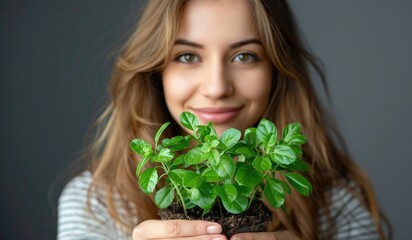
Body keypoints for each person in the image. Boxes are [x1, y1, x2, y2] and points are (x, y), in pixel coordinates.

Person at [57, 0, 391, 239]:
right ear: (155, 69)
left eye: (245, 56)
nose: (217, 87)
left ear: (277, 68)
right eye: (187, 56)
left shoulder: (337, 206)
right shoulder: (93, 204)